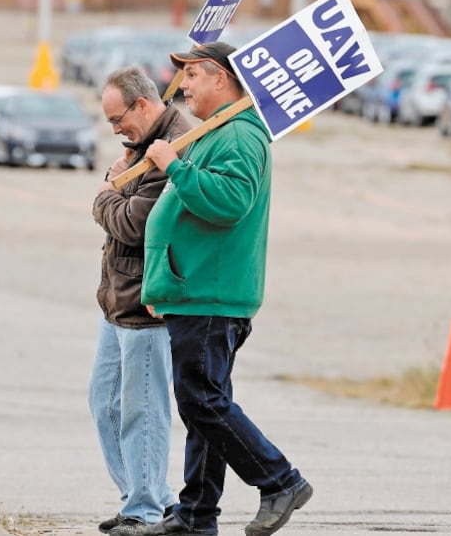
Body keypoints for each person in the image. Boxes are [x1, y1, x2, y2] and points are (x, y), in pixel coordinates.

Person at [136, 43, 313, 536]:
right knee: (204, 405)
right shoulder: (217, 133)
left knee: (201, 401)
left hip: (211, 293)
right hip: (194, 291)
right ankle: (196, 514)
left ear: (221, 77)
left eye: (191, 75)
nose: (183, 86)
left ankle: (280, 481)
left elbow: (230, 201)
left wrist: (174, 165)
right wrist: (161, 283)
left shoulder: (239, 135)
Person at [90, 65, 192, 536]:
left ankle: (145, 510)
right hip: (117, 300)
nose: (115, 130)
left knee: (144, 411)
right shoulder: (140, 146)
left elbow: (136, 222)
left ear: (143, 105)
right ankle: (149, 498)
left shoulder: (178, 146)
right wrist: (114, 192)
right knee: (105, 403)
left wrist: (105, 194)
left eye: (118, 120)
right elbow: (123, 211)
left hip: (146, 302)